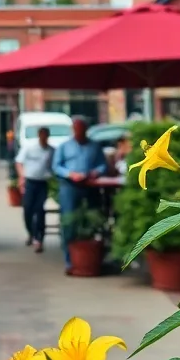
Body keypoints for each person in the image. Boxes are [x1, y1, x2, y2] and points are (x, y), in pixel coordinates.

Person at [52, 116, 108, 272]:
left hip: (91, 186)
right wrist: (70, 174)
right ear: (72, 130)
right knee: (69, 221)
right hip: (70, 186)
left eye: (82, 129)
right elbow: (56, 166)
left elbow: (103, 164)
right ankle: (70, 260)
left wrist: (96, 172)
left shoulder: (94, 146)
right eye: (76, 129)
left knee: (93, 218)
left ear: (86, 130)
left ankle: (95, 257)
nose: (79, 132)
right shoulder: (64, 146)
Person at [14, 126, 54, 252]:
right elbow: (19, 162)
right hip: (30, 181)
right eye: (41, 135)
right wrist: (21, 177)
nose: (43, 138)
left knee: (39, 209)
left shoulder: (52, 150)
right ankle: (31, 232)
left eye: (45, 135)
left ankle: (39, 238)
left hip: (42, 182)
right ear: (38, 135)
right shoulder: (30, 147)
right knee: (28, 209)